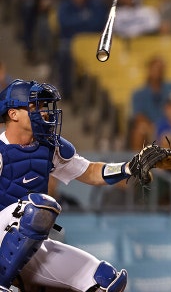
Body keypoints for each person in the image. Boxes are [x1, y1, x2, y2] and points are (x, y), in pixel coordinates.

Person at [0, 79, 147, 291]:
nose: (43, 111)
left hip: (26, 246)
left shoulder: (49, 147)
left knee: (105, 280)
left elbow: (91, 172)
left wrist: (129, 168)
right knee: (38, 208)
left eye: (43, 106)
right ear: (13, 114)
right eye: (35, 106)